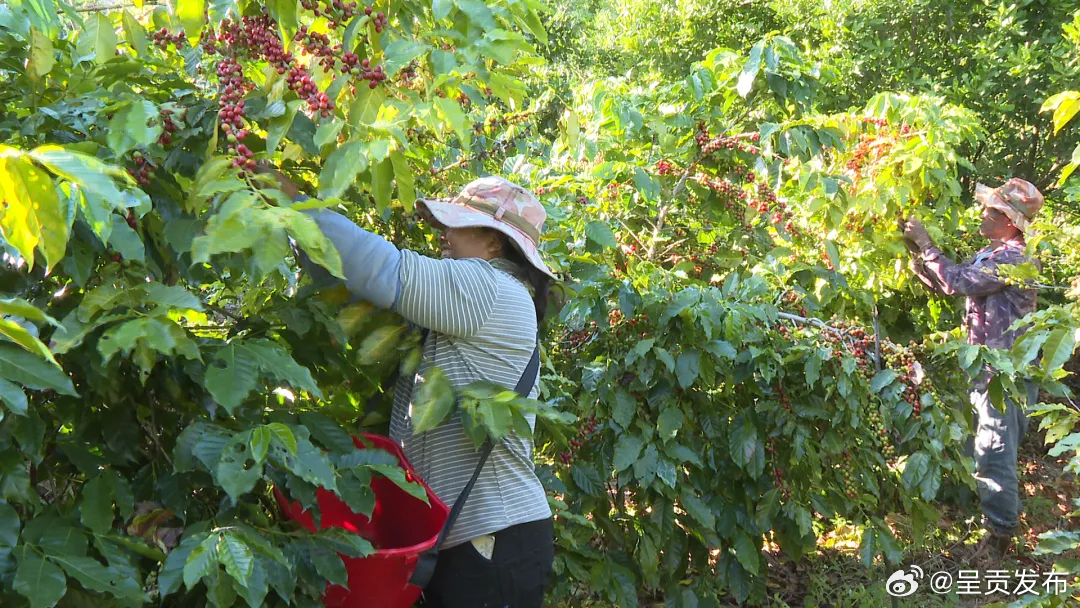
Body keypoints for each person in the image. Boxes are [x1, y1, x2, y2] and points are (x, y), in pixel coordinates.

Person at [258, 168, 558, 608]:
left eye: (454, 226)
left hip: (492, 539)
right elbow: (351, 284)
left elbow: (381, 268)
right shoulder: (474, 302)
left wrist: (295, 203)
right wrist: (300, 231)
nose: (442, 236)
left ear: (494, 242)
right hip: (473, 539)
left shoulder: (489, 288)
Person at [901, 177, 1044, 566]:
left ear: (1011, 222)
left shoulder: (1016, 260)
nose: (983, 214)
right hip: (985, 369)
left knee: (994, 453)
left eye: (993, 211)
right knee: (977, 448)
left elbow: (959, 281)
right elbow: (951, 285)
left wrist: (928, 244)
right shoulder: (991, 252)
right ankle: (985, 521)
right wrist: (915, 254)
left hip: (1006, 376)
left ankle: (999, 539)